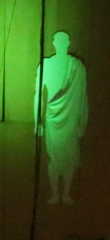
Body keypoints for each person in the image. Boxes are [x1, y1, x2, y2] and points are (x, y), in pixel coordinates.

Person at [33, 31, 87, 205]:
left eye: (64, 41)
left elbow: (82, 96)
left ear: (68, 43)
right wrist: (37, 121)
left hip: (71, 120)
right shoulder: (46, 65)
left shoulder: (77, 67)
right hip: (53, 120)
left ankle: (66, 194)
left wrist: (82, 121)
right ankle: (55, 194)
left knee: (69, 159)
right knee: (54, 159)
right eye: (59, 41)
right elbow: (38, 95)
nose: (61, 44)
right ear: (54, 43)